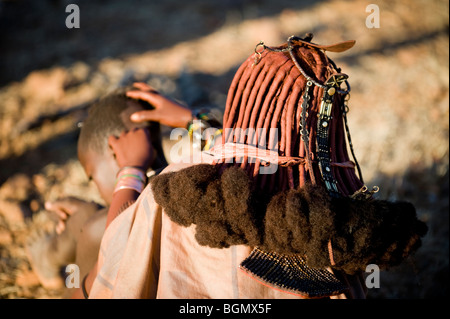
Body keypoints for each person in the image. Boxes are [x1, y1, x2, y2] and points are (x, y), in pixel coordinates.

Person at [78, 35, 427, 300]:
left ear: (243, 104)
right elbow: (263, 152)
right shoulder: (341, 224)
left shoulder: (183, 197)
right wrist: (193, 120)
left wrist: (131, 170)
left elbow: (107, 278)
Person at [26, 85, 173, 291]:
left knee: (90, 223)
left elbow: (79, 294)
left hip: (85, 284)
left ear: (116, 153)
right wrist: (195, 118)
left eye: (92, 177)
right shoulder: (182, 183)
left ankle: (53, 259)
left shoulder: (101, 229)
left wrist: (73, 278)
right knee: (86, 214)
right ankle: (51, 256)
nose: (95, 186)